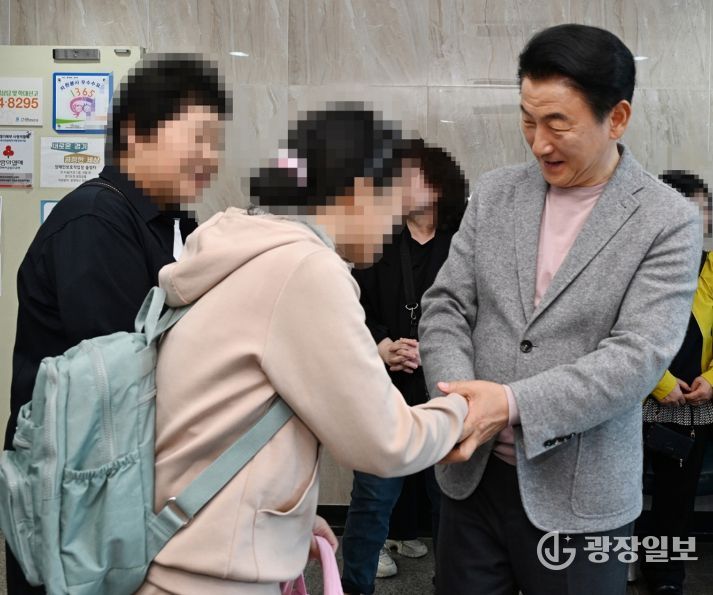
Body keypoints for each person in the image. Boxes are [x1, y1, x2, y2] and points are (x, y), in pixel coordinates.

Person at [135, 104, 477, 594]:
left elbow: (235, 413)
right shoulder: (306, 269)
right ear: (361, 191)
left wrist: (290, 514)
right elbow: (385, 440)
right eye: (394, 205)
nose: (393, 225)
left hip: (187, 544)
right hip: (212, 572)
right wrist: (467, 409)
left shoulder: (250, 245)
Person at [419, 24, 702, 595]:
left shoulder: (667, 220)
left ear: (616, 118)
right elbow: (446, 305)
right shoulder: (496, 193)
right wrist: (458, 401)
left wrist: (510, 403)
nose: (539, 143)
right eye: (528, 120)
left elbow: (637, 357)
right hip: (472, 482)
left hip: (583, 497)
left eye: (558, 123)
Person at [4, 54, 230, 594]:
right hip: (75, 500)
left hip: (119, 491)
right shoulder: (96, 221)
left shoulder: (172, 223)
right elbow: (130, 379)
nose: (210, 157)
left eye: (217, 142)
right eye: (198, 137)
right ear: (133, 132)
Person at [340, 139, 468, 595]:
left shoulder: (464, 242)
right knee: (373, 495)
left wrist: (441, 351)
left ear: (438, 186)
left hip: (447, 387)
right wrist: (382, 346)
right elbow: (350, 304)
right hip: (385, 386)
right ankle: (353, 585)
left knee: (449, 497)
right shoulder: (375, 239)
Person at [636, 171, 713, 595]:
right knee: (619, 490)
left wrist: (712, 381)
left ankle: (666, 576)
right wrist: (659, 382)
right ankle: (613, 567)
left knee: (676, 499)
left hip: (695, 404)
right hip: (635, 396)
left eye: (698, 212)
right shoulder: (635, 266)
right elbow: (617, 333)